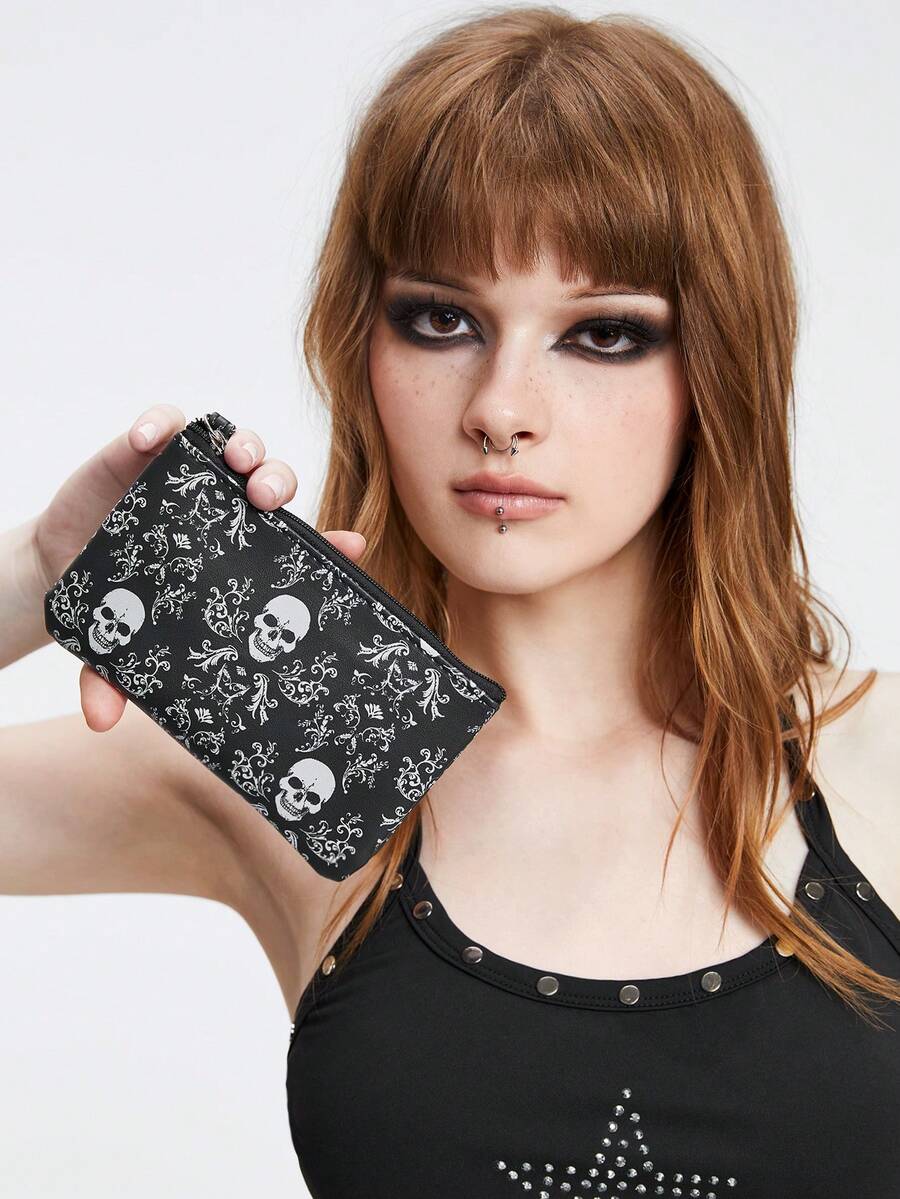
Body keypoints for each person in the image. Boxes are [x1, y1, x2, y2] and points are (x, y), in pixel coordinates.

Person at [2, 6, 898, 1196]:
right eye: (442, 319)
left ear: (717, 369)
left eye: (603, 333)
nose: (500, 408)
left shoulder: (881, 760)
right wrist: (42, 572)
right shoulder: (297, 749)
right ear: (363, 344)